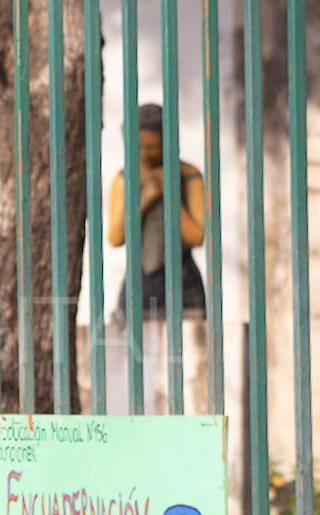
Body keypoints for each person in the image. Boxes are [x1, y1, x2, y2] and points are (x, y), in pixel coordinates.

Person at [106, 103, 208, 415]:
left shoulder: (188, 176)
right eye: (142, 147)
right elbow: (115, 236)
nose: (149, 153)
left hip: (182, 282)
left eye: (155, 146)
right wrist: (146, 198)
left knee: (187, 367)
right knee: (133, 365)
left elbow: (197, 235)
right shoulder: (125, 179)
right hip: (140, 280)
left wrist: (168, 195)